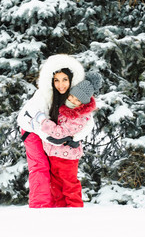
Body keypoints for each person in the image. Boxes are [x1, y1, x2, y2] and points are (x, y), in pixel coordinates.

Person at [17, 54, 94, 208]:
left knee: (58, 175)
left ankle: (59, 210)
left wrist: (76, 137)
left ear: (71, 80)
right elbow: (24, 118)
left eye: (65, 80)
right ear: (51, 80)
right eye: (56, 80)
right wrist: (48, 137)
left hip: (55, 136)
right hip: (32, 131)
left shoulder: (75, 96)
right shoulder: (43, 94)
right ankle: (40, 208)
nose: (61, 85)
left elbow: (88, 122)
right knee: (41, 168)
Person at [31, 72, 102, 207]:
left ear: (83, 103)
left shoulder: (79, 117)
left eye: (77, 100)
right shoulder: (64, 108)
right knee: (56, 187)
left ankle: (74, 211)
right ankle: (61, 213)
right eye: (71, 96)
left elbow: (60, 133)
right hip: (54, 156)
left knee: (70, 186)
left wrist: (42, 121)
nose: (72, 101)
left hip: (67, 158)